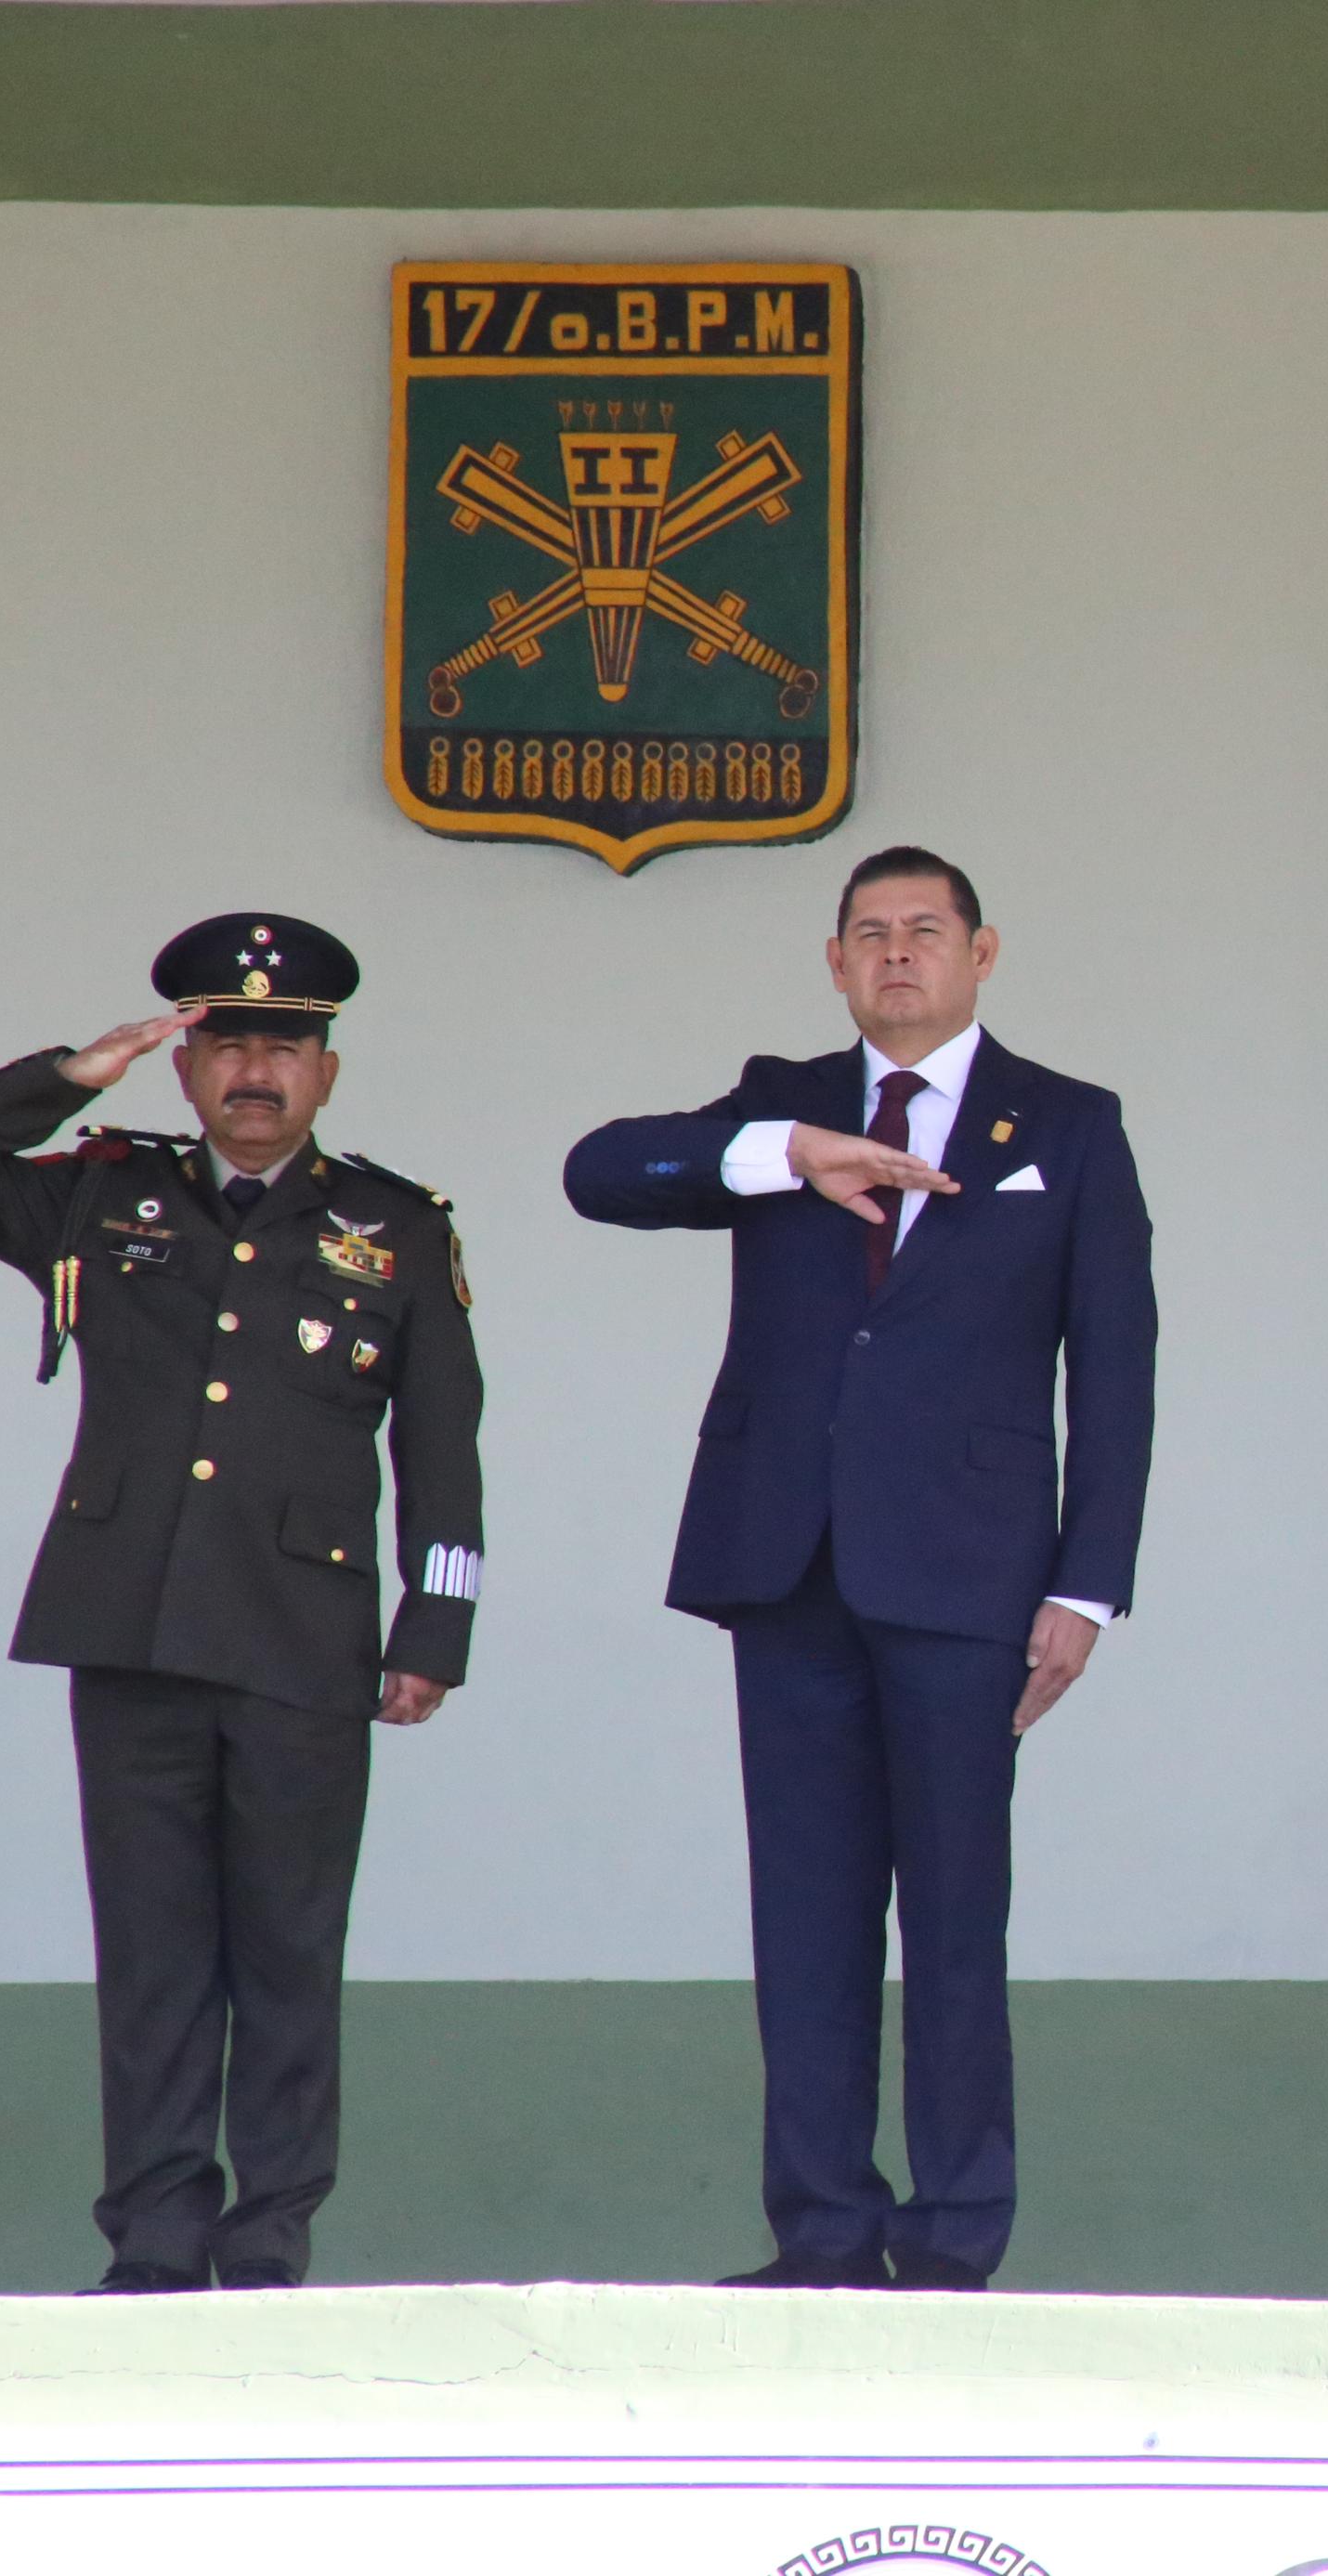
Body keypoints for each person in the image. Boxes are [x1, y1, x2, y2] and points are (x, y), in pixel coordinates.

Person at [563, 846, 1156, 2290]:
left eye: (926, 930)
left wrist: (1086, 1583)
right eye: (870, 933)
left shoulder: (1068, 1123)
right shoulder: (785, 1103)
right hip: (789, 1562)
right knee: (807, 1920)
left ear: (981, 952)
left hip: (970, 1572)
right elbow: (600, 1172)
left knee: (954, 1918)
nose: (898, 953)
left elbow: (1118, 1365)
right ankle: (821, 2230)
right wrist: (786, 1152)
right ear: (834, 963)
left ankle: (953, 2236)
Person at [0, 916, 481, 2293]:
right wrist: (67, 1076)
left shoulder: (396, 1228)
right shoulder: (102, 1196)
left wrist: (434, 1628)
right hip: (130, 1627)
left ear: (327, 1073)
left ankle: (267, 2244)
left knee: (287, 1954)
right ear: (186, 1067)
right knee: (151, 1955)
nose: (254, 1072)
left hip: (304, 1641)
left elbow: (444, 1451)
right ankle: (153, 2245)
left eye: (285, 1049)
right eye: (227, 1047)